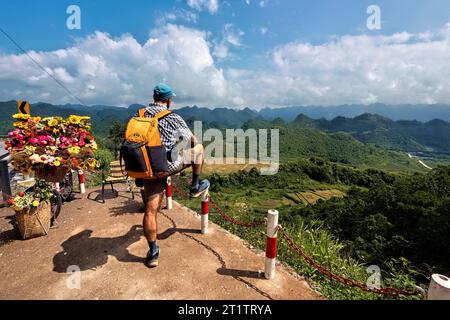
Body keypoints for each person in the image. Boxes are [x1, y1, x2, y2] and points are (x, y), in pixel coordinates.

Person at [136, 83, 209, 268]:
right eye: (171, 99)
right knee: (199, 150)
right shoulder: (172, 116)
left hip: (146, 168)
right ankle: (195, 186)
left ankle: (153, 253)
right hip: (165, 166)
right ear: (168, 99)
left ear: (154, 98)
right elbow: (191, 140)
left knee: (150, 211)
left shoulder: (140, 114)